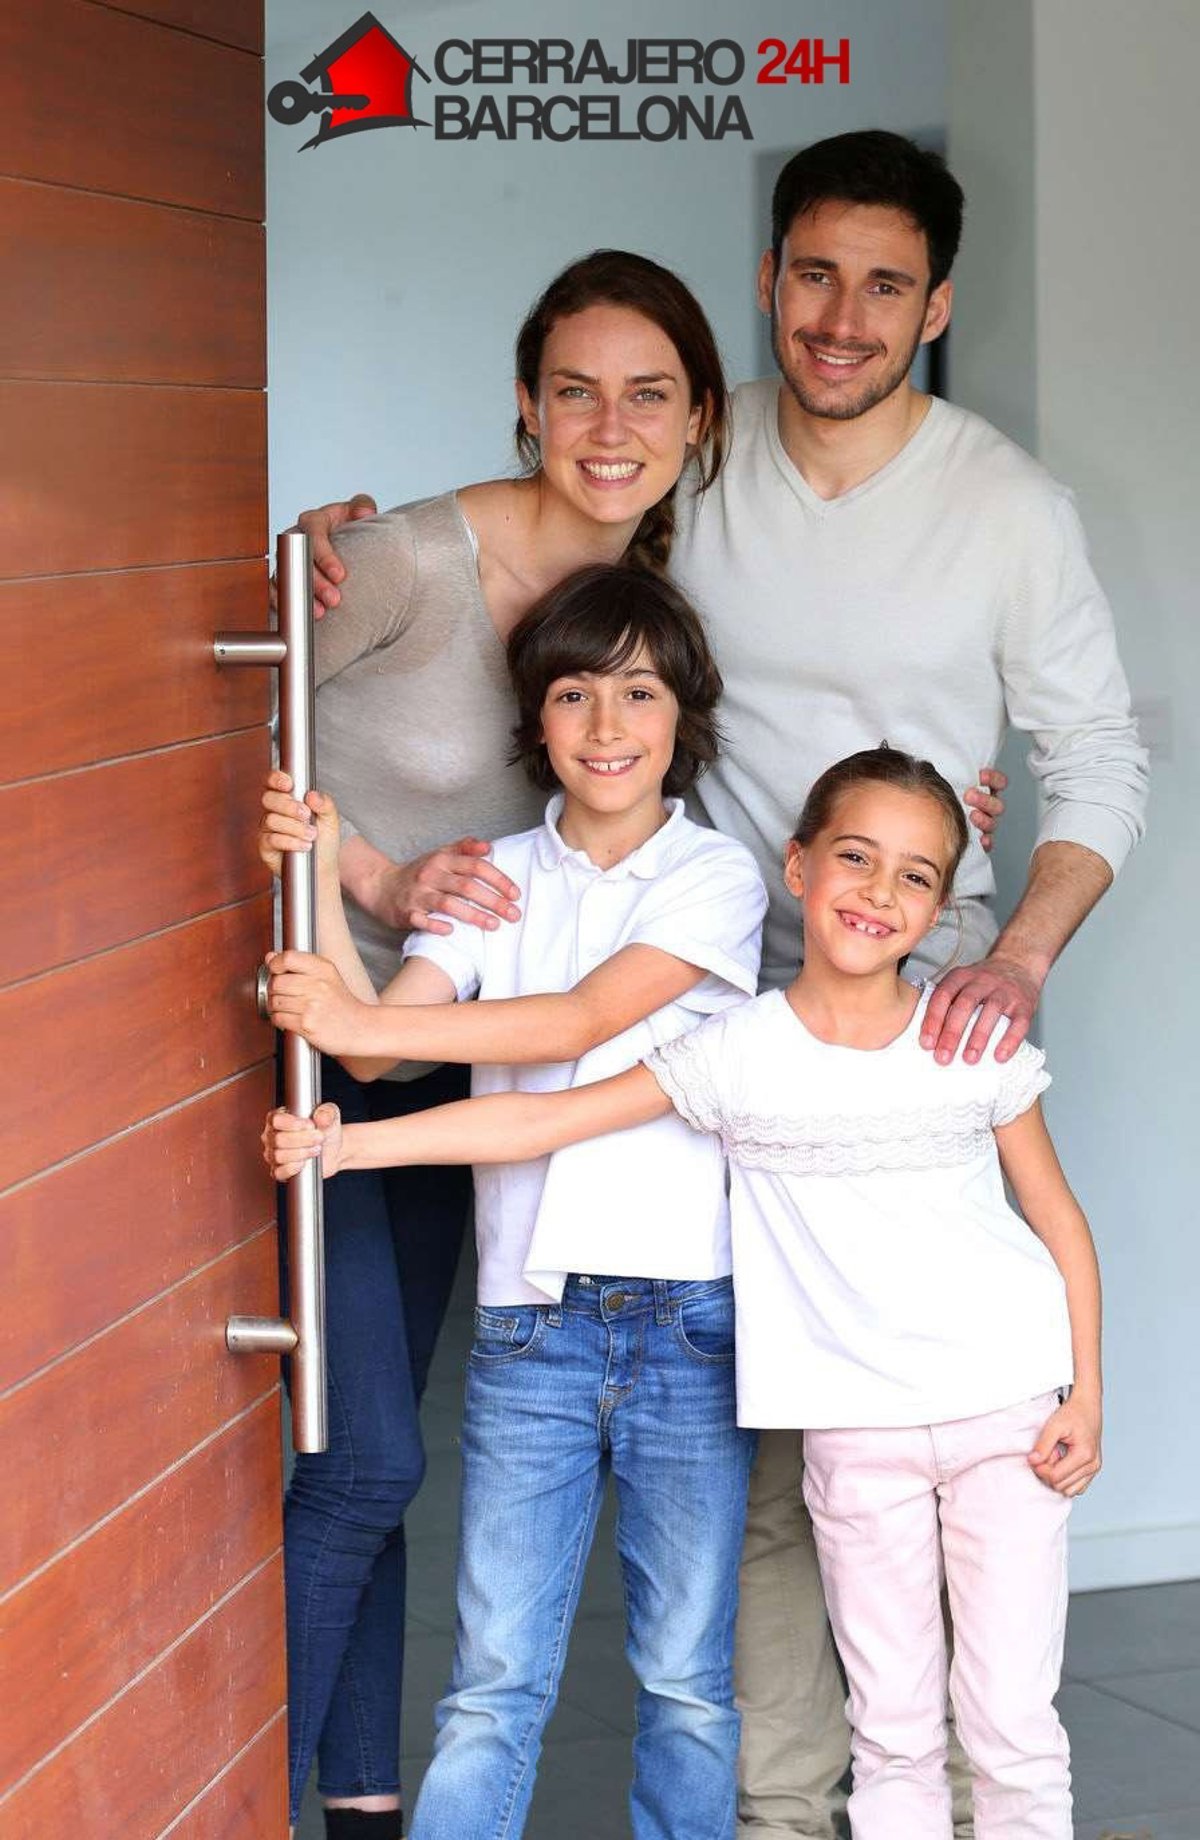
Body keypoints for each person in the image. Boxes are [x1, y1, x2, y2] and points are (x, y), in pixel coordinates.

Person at [291, 128, 1146, 1840]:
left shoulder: (1006, 508)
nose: (841, 317)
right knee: (766, 1456)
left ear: (938, 306)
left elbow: (1101, 758)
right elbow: (569, 498)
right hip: (700, 991)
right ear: (768, 282)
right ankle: (786, 1808)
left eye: (885, 286)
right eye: (813, 275)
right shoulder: (707, 446)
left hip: (911, 1007)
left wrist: (1012, 950)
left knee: (925, 1414)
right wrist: (340, 555)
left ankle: (973, 1780)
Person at [267, 744, 1102, 1840]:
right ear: (796, 867)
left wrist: (1086, 1395)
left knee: (1012, 1729)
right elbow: (542, 1119)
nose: (879, 892)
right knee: (892, 1735)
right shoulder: (735, 1051)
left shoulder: (967, 1040)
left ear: (941, 907)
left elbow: (1058, 1219)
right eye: (855, 858)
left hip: (1007, 1409)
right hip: (856, 1432)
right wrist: (349, 1147)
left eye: (914, 876)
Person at [281, 250, 731, 1840]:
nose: (611, 426)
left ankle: (359, 1807)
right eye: (575, 391)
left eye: (649, 394)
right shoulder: (403, 559)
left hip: (448, 1068)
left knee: (370, 1460)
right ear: (527, 405)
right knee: (365, 1461)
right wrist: (370, 878)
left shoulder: (653, 607)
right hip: (321, 1035)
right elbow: (213, 695)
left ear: (699, 418)